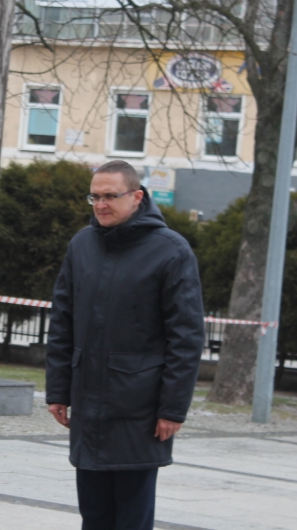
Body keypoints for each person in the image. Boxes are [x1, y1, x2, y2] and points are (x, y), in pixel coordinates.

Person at [45, 160, 204, 530]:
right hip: (88, 405)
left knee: (132, 518)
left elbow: (186, 337)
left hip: (139, 409)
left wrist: (173, 409)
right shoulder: (81, 245)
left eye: (110, 196)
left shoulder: (171, 251)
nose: (101, 205)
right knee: (94, 516)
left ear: (137, 197)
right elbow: (62, 323)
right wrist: (58, 391)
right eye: (94, 197)